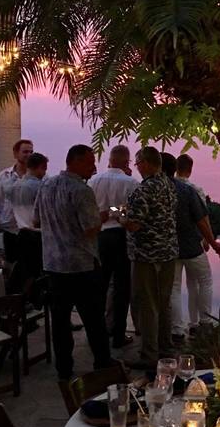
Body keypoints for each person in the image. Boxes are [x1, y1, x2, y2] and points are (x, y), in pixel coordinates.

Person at [34, 144, 112, 380]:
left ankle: (64, 369)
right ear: (75, 162)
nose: (94, 167)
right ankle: (103, 363)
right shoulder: (81, 190)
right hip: (81, 264)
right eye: (90, 162)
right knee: (94, 318)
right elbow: (90, 228)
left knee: (60, 321)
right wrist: (103, 217)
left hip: (53, 264)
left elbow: (36, 220)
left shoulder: (46, 185)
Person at [122, 146, 178, 366]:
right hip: (168, 252)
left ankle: (149, 356)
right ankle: (166, 349)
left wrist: (122, 217)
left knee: (147, 304)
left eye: (137, 164)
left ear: (144, 163)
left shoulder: (145, 189)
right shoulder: (168, 185)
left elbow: (134, 224)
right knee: (164, 303)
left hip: (147, 254)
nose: (136, 168)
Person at [164, 153, 220, 342]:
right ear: (190, 168)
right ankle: (204, 322)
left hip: (170, 247)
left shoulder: (159, 190)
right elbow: (202, 219)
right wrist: (211, 242)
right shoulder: (192, 189)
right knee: (203, 282)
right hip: (192, 245)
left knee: (174, 288)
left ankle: (178, 329)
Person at [88, 145, 139, 348]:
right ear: (127, 162)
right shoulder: (131, 183)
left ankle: (98, 334)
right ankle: (118, 335)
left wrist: (107, 210)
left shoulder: (93, 181)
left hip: (99, 237)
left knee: (100, 286)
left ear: (109, 160)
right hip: (120, 236)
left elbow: (92, 208)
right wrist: (115, 210)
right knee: (121, 287)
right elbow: (130, 211)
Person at [0, 139, 33, 262]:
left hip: (31, 230)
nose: (28, 155)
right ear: (16, 153)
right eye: (25, 152)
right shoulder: (5, 175)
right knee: (12, 264)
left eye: (31, 152)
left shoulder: (39, 176)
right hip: (10, 230)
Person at [10, 152, 48, 280]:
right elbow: (42, 213)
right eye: (44, 169)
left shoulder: (14, 186)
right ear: (40, 167)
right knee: (38, 274)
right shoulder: (40, 187)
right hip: (37, 235)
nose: (44, 173)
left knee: (26, 273)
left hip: (21, 233)